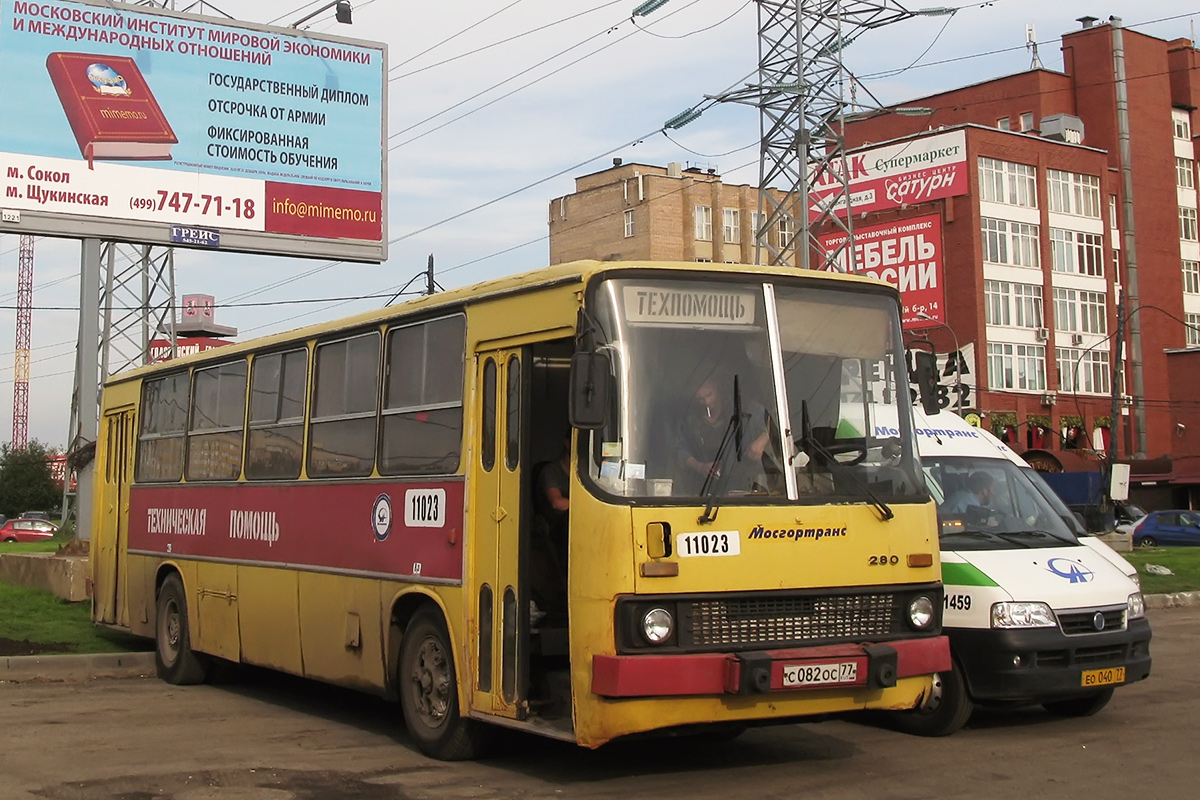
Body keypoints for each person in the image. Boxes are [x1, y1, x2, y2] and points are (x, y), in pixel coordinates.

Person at [675, 375, 772, 495]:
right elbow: (680, 450)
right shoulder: (689, 421)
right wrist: (699, 466)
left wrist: (763, 439)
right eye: (700, 399)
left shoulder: (746, 408)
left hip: (749, 487)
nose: (706, 402)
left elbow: (780, 422)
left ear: (718, 389)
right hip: (707, 491)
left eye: (709, 395)